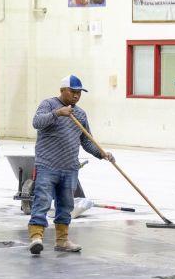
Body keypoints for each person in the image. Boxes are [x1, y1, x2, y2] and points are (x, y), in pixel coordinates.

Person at [27, 75, 114, 256]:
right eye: (73, 92)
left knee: (66, 205)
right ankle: (36, 237)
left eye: (79, 93)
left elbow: (86, 141)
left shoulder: (80, 114)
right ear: (62, 91)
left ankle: (62, 240)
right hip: (47, 165)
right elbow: (37, 123)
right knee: (42, 201)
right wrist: (58, 113)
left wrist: (101, 154)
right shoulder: (49, 105)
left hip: (69, 168)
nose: (76, 96)